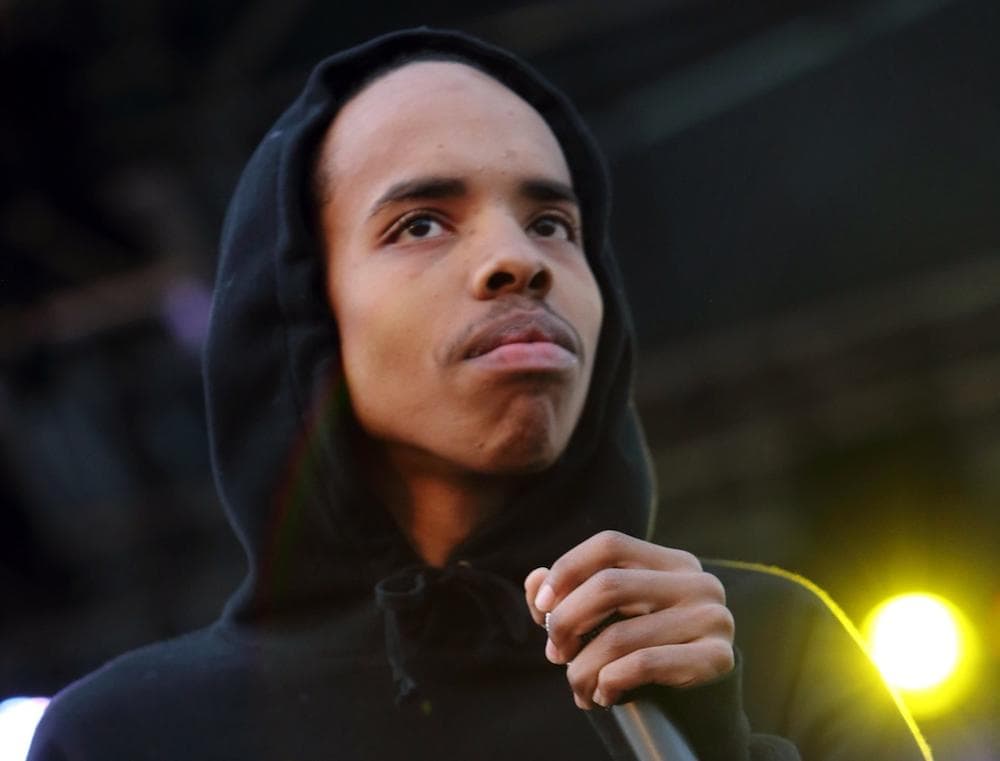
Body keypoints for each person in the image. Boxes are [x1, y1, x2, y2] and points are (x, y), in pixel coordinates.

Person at [28, 28, 931, 761]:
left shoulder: (770, 642)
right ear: (304, 311)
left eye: (552, 222)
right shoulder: (124, 736)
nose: (520, 260)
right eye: (420, 223)